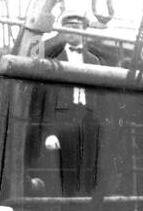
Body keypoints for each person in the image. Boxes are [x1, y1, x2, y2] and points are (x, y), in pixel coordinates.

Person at [29, 11, 104, 198]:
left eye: (76, 28)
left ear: (84, 30)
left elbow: (100, 96)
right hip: (64, 122)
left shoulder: (94, 61)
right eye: (67, 28)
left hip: (89, 121)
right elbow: (47, 99)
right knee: (67, 171)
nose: (71, 32)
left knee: (89, 170)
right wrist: (50, 132)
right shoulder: (54, 62)